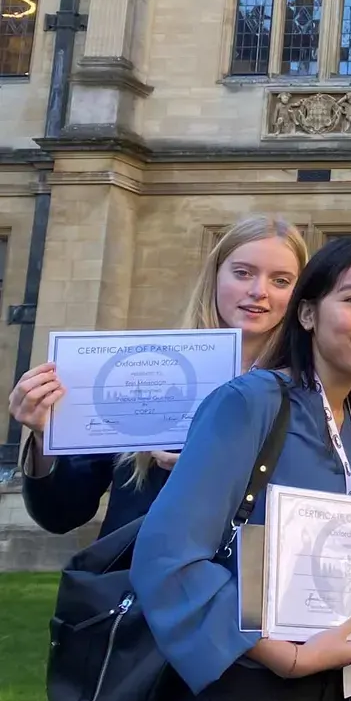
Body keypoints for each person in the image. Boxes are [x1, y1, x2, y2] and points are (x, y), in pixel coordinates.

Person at [132, 235, 351, 701]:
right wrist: (279, 654)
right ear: (309, 314)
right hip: (252, 691)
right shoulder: (251, 403)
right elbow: (168, 556)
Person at [7, 214, 308, 539]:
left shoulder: (311, 391)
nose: (258, 291)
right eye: (242, 273)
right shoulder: (143, 372)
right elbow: (61, 514)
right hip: (139, 579)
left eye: (280, 280)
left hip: (247, 579)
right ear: (215, 276)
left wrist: (219, 473)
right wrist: (44, 436)